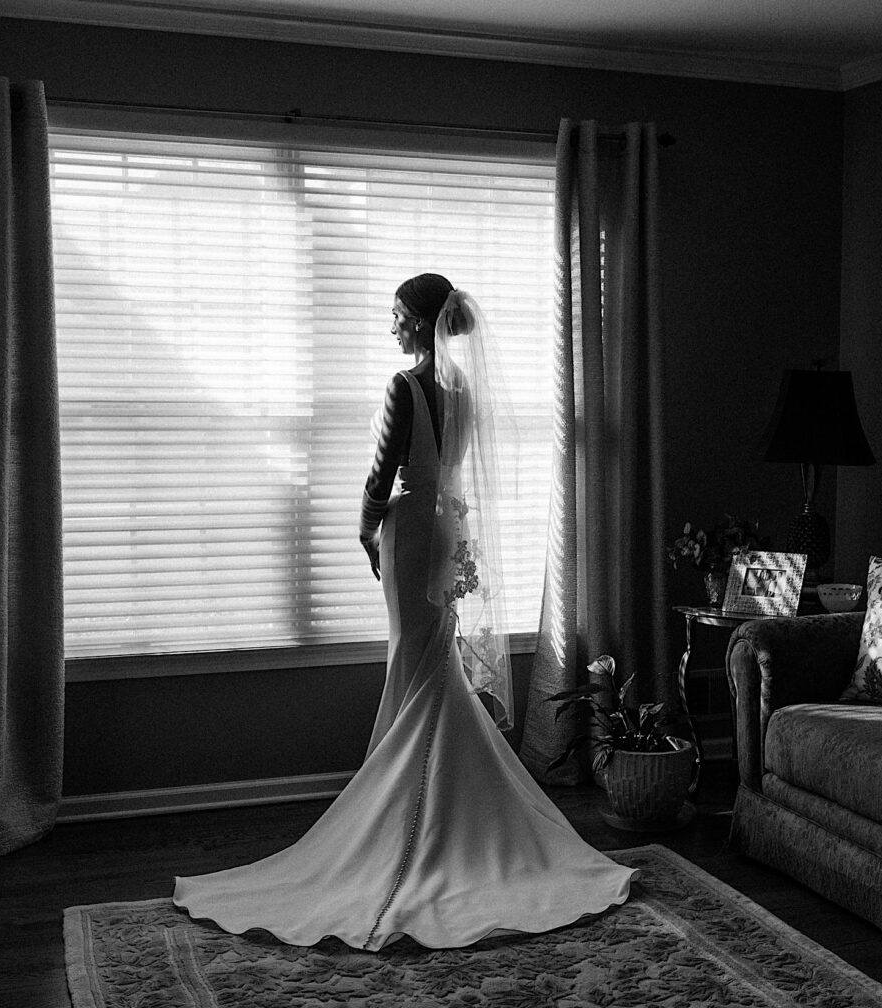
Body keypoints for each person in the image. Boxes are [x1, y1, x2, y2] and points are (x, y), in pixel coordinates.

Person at [174, 273, 636, 951]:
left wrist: (364, 529)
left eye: (396, 317)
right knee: (430, 657)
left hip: (413, 528)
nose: (390, 328)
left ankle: (407, 811)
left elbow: (381, 474)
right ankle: (446, 801)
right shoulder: (465, 394)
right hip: (447, 524)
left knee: (417, 659)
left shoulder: (406, 387)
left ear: (422, 324)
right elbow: (455, 468)